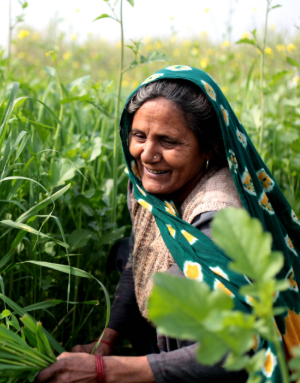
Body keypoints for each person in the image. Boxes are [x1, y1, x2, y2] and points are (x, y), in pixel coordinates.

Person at [37, 66, 300, 383]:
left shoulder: (221, 216)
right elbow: (140, 253)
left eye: (168, 141)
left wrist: (105, 372)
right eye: (139, 136)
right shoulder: (153, 183)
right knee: (128, 252)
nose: (147, 155)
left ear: (208, 148)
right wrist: (107, 340)